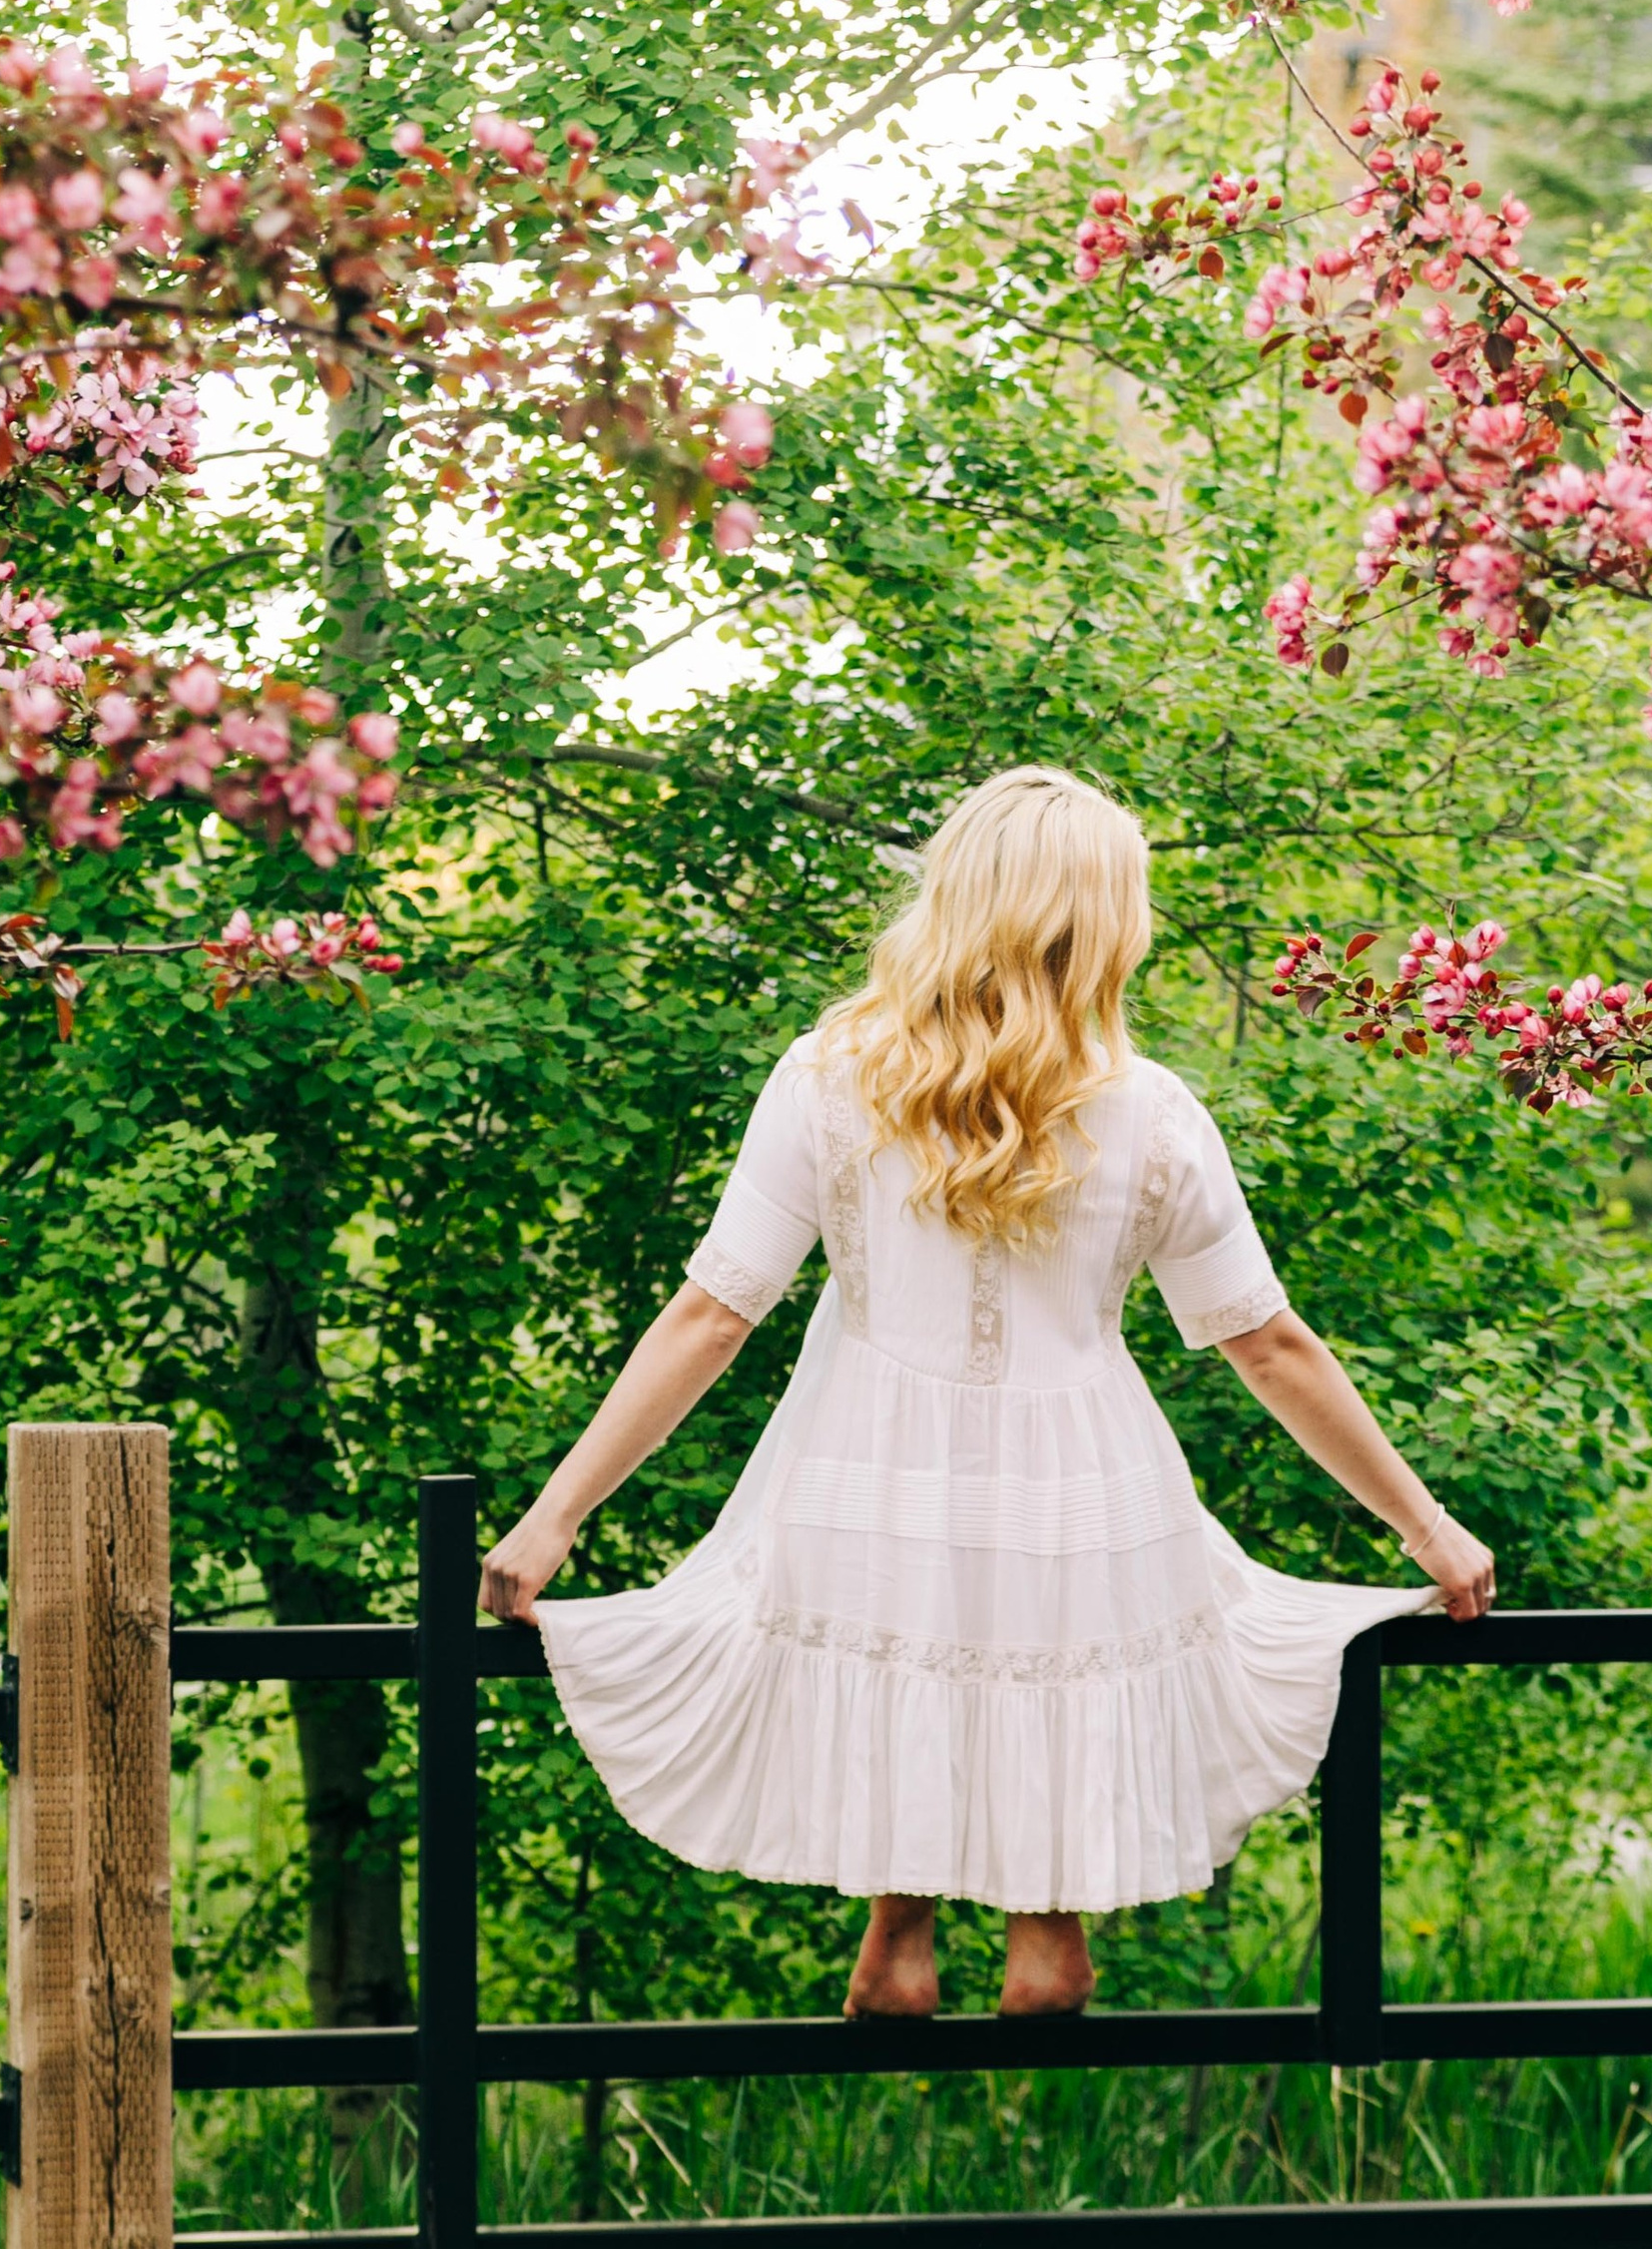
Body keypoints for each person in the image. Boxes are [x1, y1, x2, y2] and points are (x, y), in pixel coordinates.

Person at [479, 766, 1495, 2020]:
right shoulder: (1153, 1115)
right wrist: (1425, 1526)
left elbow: (714, 1314)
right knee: (1042, 1646)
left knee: (917, 1633)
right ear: (1106, 922)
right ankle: (1046, 1933)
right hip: (1086, 1474)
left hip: (869, 1466)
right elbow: (1267, 1346)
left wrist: (555, 1517)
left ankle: (897, 1932)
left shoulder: (826, 1079)